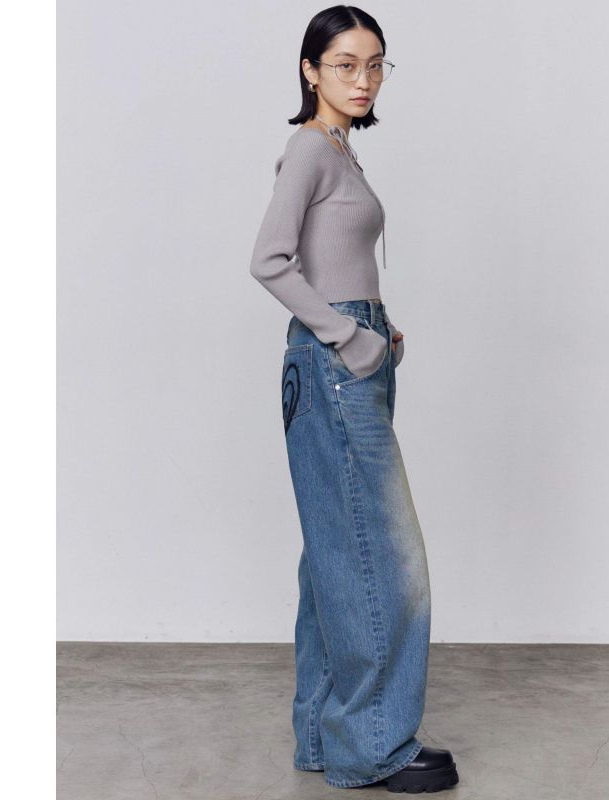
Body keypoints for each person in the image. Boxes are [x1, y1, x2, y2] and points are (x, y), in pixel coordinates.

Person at [248, 6, 459, 793]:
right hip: (335, 363)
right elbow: (269, 260)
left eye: (375, 64)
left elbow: (330, 256)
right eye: (345, 64)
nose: (363, 79)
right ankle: (374, 745)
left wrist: (377, 323)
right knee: (388, 557)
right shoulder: (310, 147)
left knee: (336, 554)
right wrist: (347, 333)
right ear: (310, 70)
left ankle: (322, 736)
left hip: (344, 356)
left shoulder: (338, 150)